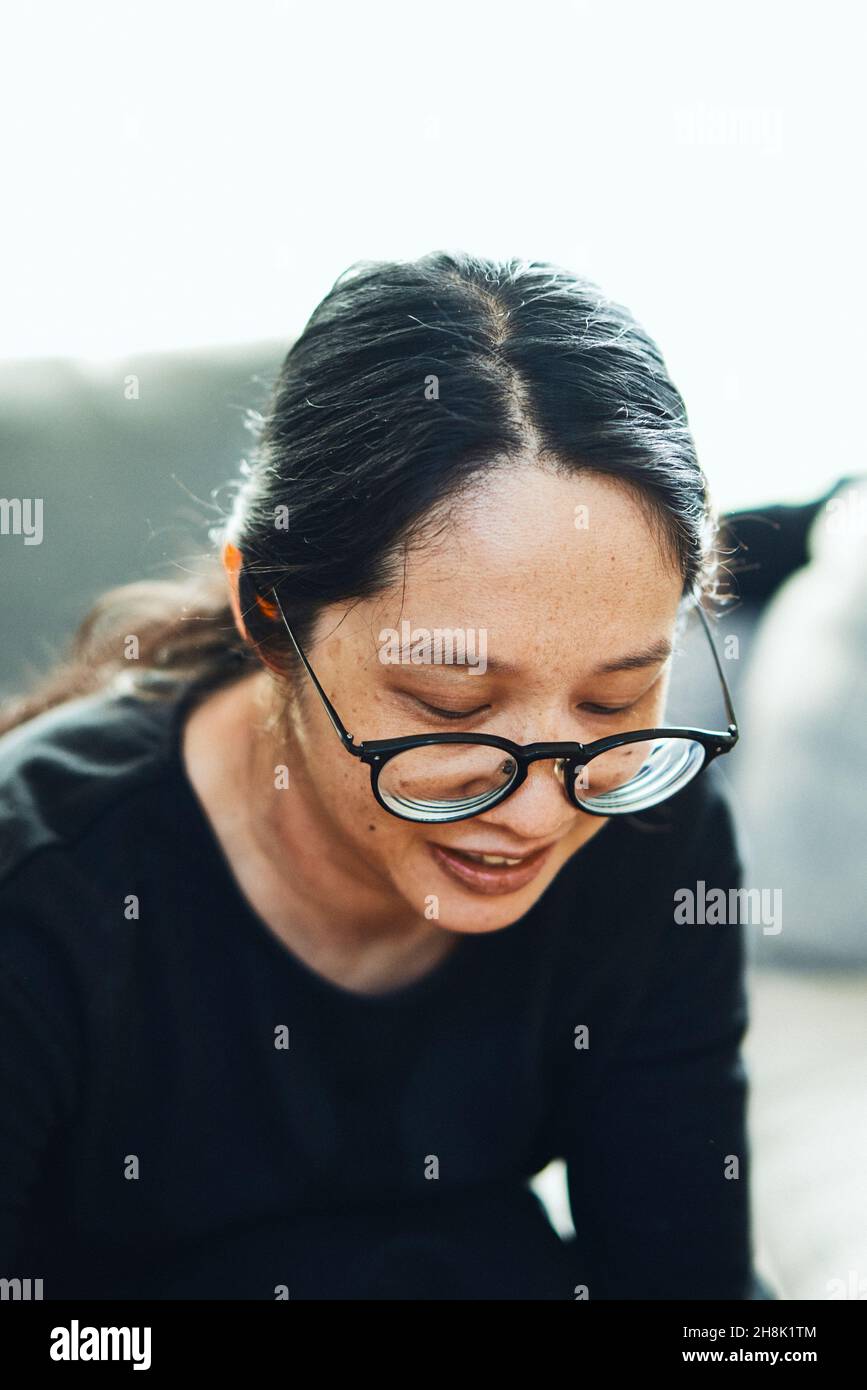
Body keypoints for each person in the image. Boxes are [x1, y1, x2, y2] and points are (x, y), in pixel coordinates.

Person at [0, 251, 769, 1299]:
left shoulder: (647, 823)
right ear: (268, 616)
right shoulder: (44, 893)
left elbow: (693, 1295)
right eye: (451, 709)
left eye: (612, 700)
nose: (543, 810)